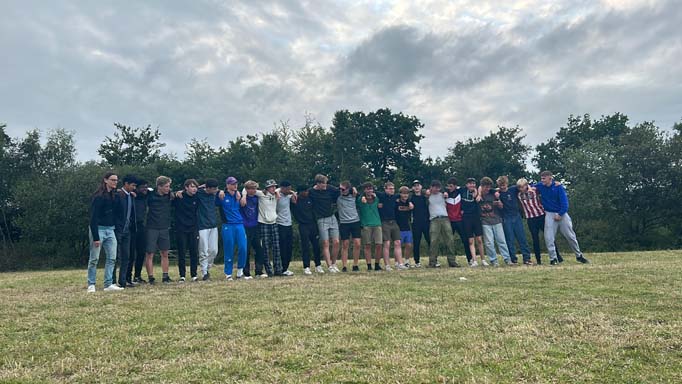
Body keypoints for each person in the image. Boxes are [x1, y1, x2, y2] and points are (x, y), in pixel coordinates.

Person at [534, 171, 590, 265]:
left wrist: (560, 214)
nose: (542, 180)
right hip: (549, 213)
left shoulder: (558, 187)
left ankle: (579, 255)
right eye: (541, 178)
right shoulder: (540, 186)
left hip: (562, 214)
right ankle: (553, 259)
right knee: (549, 237)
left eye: (544, 178)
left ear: (550, 178)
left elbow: (565, 203)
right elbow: (530, 186)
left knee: (570, 236)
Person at [87, 172, 123, 292]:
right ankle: (91, 284)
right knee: (94, 258)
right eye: (112, 180)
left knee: (112, 258)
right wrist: (96, 237)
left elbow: (119, 213)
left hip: (111, 230)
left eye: (116, 180)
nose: (115, 182)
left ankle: (108, 284)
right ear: (105, 180)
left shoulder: (116, 196)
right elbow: (93, 218)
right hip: (99, 229)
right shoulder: (98, 197)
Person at [516, 178, 563, 265]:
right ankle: (538, 260)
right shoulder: (518, 194)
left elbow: (543, 186)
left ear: (526, 185)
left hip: (541, 215)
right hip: (530, 218)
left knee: (549, 237)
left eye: (522, 187)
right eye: (519, 187)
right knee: (535, 239)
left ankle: (557, 256)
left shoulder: (534, 190)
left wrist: (555, 183)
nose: (521, 189)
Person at [244, 179, 281, 276]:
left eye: (274, 186)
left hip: (274, 222)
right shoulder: (261, 194)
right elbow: (246, 189)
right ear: (267, 188)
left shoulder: (276, 193)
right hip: (263, 223)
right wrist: (244, 196)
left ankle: (278, 269)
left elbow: (285, 189)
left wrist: (278, 192)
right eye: (271, 187)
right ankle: (268, 270)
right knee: (265, 247)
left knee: (276, 247)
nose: (273, 188)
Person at [144, 176, 175, 284]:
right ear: (159, 186)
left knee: (165, 252)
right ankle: (151, 277)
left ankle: (165, 276)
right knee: (150, 253)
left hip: (164, 227)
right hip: (151, 227)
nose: (168, 188)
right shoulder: (150, 195)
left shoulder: (170, 196)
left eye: (169, 186)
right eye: (166, 186)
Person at [496, 176, 532, 265]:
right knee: (510, 239)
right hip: (506, 218)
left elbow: (525, 186)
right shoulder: (497, 193)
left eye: (504, 185)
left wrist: (530, 188)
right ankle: (513, 258)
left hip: (516, 216)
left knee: (522, 238)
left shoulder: (513, 189)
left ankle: (526, 258)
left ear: (507, 184)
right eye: (500, 186)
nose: (502, 187)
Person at [218, 177, 249, 279]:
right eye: (232, 184)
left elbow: (248, 188)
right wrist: (220, 191)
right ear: (227, 185)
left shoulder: (238, 194)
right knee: (229, 248)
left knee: (243, 247)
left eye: (235, 183)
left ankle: (240, 271)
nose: (235, 185)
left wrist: (243, 195)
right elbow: (209, 190)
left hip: (239, 224)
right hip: (228, 225)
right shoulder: (222, 195)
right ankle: (228, 273)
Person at [308, 174, 340, 272]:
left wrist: (353, 190)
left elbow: (341, 190)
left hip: (331, 217)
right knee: (325, 242)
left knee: (336, 242)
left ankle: (334, 263)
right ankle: (329, 266)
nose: (326, 186)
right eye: (324, 184)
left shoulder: (329, 188)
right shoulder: (311, 191)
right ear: (318, 184)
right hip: (321, 219)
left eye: (326, 184)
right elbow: (301, 193)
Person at [240, 180, 271, 278]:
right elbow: (241, 201)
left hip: (255, 226)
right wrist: (244, 196)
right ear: (247, 189)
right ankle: (246, 272)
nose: (253, 191)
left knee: (259, 249)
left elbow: (266, 192)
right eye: (251, 189)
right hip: (245, 226)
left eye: (254, 189)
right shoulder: (242, 198)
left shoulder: (258, 197)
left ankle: (259, 271)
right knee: (246, 249)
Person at [426, 180, 460, 268]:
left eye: (438, 188)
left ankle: (452, 261)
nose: (437, 189)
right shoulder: (427, 196)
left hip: (445, 218)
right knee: (434, 241)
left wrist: (445, 194)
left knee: (450, 239)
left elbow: (455, 190)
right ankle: (432, 262)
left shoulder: (443, 195)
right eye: (435, 187)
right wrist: (426, 192)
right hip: (434, 219)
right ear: (431, 187)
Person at [478, 177, 512, 266]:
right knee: (489, 242)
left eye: (489, 187)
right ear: (482, 186)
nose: (488, 189)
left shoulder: (493, 193)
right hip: (485, 221)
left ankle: (507, 259)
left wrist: (499, 204)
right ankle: (493, 260)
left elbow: (501, 206)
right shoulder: (478, 195)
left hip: (496, 220)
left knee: (501, 240)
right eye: (486, 187)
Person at [173, 179, 200, 282]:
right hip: (181, 228)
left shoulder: (197, 197)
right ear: (186, 187)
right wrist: (176, 193)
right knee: (182, 253)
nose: (194, 189)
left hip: (193, 228)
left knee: (194, 252)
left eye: (195, 187)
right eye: (192, 186)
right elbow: (169, 195)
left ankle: (194, 274)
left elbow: (206, 187)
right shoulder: (179, 197)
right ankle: (182, 275)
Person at [291, 185, 322, 275]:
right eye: (304, 191)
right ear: (299, 192)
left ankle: (318, 265)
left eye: (307, 191)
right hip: (303, 225)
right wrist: (293, 194)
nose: (306, 192)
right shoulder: (295, 200)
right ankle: (306, 266)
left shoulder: (310, 199)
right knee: (305, 246)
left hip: (313, 224)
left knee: (316, 245)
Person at [113, 174, 137, 288]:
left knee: (126, 256)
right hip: (117, 229)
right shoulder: (118, 195)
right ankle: (112, 281)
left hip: (127, 231)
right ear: (126, 184)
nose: (134, 188)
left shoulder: (131, 196)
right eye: (132, 185)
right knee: (115, 256)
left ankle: (123, 281)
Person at [376, 182, 406, 270]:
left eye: (393, 188)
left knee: (398, 242)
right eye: (390, 188)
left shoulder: (396, 197)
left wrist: (409, 203)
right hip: (384, 222)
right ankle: (387, 265)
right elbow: (370, 192)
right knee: (387, 243)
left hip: (394, 222)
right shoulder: (381, 196)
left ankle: (400, 264)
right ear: (385, 189)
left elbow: (406, 195)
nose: (392, 190)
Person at [445, 178, 473, 265]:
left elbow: (470, 188)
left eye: (451, 186)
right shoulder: (445, 193)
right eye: (448, 186)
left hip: (460, 220)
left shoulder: (460, 191)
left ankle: (470, 259)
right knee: (449, 241)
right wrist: (444, 192)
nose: (449, 188)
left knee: (465, 240)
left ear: (455, 186)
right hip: (450, 221)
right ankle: (451, 261)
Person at [196, 179, 220, 280]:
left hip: (213, 225)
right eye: (214, 189)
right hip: (202, 226)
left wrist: (220, 191)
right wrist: (199, 187)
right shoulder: (199, 193)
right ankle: (204, 272)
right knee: (203, 250)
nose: (216, 190)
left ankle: (208, 267)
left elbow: (225, 191)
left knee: (214, 250)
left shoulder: (215, 194)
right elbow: (190, 190)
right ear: (208, 188)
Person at [461, 178, 487, 267]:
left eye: (473, 183)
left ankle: (483, 259)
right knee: (470, 240)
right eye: (469, 183)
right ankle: (474, 260)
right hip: (466, 218)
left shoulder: (477, 192)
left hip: (476, 217)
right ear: (466, 184)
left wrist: (478, 193)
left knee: (479, 240)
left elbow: (483, 187)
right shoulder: (462, 190)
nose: (471, 185)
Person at [357, 182, 383, 271]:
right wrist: (362, 199)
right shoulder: (361, 199)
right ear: (364, 190)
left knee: (379, 244)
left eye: (371, 188)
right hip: (366, 224)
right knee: (367, 245)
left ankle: (377, 264)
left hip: (377, 224)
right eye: (367, 189)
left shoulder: (376, 198)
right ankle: (369, 265)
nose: (369, 190)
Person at [337, 181, 361, 272]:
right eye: (340, 189)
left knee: (357, 243)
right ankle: (344, 266)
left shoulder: (354, 195)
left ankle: (355, 264)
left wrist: (355, 190)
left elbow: (363, 195)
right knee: (345, 244)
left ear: (348, 189)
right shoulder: (338, 196)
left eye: (343, 189)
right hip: (344, 223)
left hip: (355, 221)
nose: (341, 191)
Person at [130, 179, 149, 284]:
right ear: (137, 188)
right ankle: (128, 276)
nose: (145, 189)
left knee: (141, 252)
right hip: (132, 226)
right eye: (142, 187)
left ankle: (137, 276)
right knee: (131, 253)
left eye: (146, 187)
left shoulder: (146, 196)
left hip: (141, 226)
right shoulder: (131, 196)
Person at [276, 181, 296, 276]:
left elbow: (294, 199)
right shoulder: (277, 195)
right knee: (282, 247)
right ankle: (281, 268)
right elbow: (275, 191)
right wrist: (279, 191)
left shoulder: (288, 196)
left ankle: (286, 267)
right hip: (280, 224)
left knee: (289, 247)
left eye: (290, 188)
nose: (289, 190)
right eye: (287, 188)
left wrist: (292, 193)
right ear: (282, 188)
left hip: (289, 224)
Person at [409, 180, 429, 268]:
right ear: (413, 188)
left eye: (418, 185)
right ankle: (417, 261)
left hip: (426, 222)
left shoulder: (425, 197)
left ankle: (433, 259)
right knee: (416, 242)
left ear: (421, 187)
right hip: (416, 223)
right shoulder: (410, 198)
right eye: (415, 186)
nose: (416, 187)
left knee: (430, 241)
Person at [395, 186, 414, 266]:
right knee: (398, 245)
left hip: (407, 226)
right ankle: (397, 262)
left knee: (409, 245)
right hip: (398, 227)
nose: (405, 195)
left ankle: (406, 261)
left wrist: (410, 202)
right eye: (403, 193)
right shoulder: (396, 202)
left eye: (407, 194)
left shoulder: (409, 202)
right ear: (400, 194)